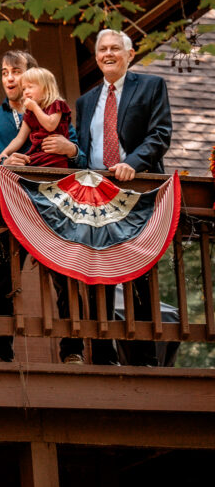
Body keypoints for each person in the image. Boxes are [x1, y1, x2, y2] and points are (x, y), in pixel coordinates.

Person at [67, 28, 173, 366]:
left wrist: (132, 163)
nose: (107, 54)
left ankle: (143, 357)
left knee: (137, 269)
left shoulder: (151, 86)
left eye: (115, 48)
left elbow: (160, 134)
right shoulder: (85, 101)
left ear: (129, 54)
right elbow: (84, 151)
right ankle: (102, 353)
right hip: (96, 195)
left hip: (135, 191)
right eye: (102, 49)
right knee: (95, 271)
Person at [0, 50, 81, 362]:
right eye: (5, 71)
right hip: (11, 210)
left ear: (33, 76)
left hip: (54, 208)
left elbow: (81, 157)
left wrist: (71, 148)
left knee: (65, 279)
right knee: (3, 280)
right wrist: (3, 161)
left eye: (17, 71)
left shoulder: (55, 112)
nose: (10, 78)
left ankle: (73, 351)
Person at [0, 68, 72, 168]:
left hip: (54, 156)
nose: (26, 92)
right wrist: (4, 153)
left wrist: (35, 107)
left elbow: (50, 125)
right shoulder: (30, 113)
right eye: (23, 89)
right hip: (37, 156)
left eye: (30, 87)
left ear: (46, 89)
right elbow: (19, 139)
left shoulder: (56, 104)